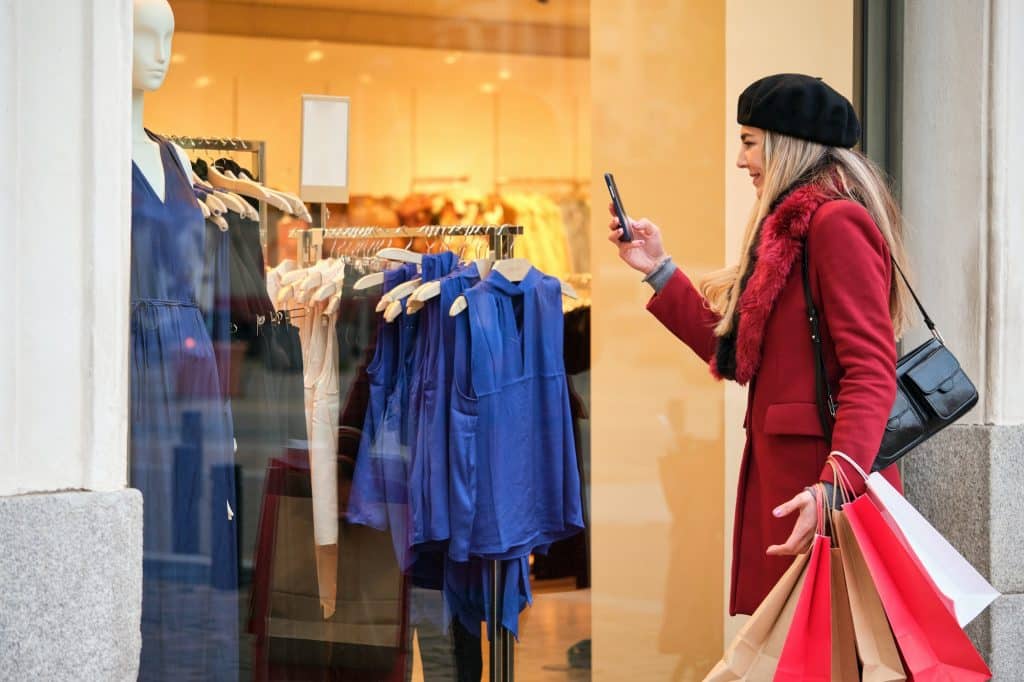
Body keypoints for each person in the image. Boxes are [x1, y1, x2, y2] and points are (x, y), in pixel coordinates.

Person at [608, 73, 915, 616]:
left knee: (830, 652)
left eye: (749, 141)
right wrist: (657, 269)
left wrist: (834, 486)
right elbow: (738, 349)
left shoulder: (835, 223)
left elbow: (871, 369)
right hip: (794, 483)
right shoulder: (792, 230)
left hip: (818, 485)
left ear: (784, 144)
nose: (740, 159)